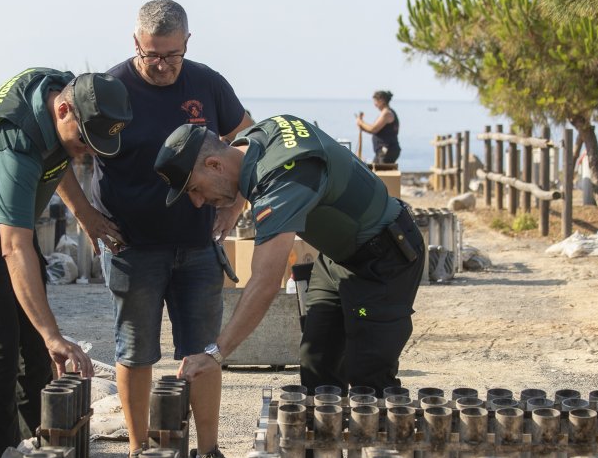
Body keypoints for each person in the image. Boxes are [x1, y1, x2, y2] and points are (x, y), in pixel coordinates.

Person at [58, 0, 251, 458]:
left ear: (187, 43)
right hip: (131, 247)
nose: (162, 66)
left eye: (172, 55)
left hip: (198, 245)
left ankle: (208, 452)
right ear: (135, 44)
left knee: (203, 348)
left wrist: (235, 202)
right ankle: (138, 450)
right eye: (152, 56)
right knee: (135, 348)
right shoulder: (110, 88)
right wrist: (85, 216)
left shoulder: (207, 83)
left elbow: (250, 138)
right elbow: (57, 153)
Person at [0, 69, 132, 458]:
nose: (88, 151)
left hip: (5, 221)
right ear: (64, 109)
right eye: (87, 141)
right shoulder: (14, 146)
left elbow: (59, 157)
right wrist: (55, 334)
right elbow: (14, 248)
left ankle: (35, 454)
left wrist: (84, 213)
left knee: (34, 355)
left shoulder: (60, 94)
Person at [155, 116, 425, 392]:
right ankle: (327, 434)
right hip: (335, 257)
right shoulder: (257, 135)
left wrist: (216, 354)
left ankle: (378, 433)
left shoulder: (282, 181)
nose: (198, 202)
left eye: (196, 189)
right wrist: (234, 206)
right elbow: (249, 170)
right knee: (317, 365)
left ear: (214, 165)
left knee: (368, 378)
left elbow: (265, 282)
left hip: (383, 257)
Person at [355, 90, 401, 165]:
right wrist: (362, 126)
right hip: (382, 151)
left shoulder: (387, 113)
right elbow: (373, 130)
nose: (375, 104)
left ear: (382, 100)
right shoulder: (386, 112)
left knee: (378, 174)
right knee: (372, 171)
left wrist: (361, 122)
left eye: (375, 102)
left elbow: (373, 129)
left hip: (386, 150)